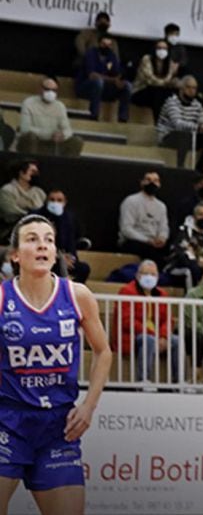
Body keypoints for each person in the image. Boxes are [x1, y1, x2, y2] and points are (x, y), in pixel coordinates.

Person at [0, 214, 110, 515]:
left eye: (48, 239)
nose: (42, 245)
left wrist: (88, 406)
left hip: (58, 428)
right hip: (7, 421)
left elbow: (103, 352)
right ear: (15, 255)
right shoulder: (1, 297)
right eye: (32, 239)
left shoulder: (77, 295)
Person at [113, 260, 181, 385]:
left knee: (177, 341)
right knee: (148, 339)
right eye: (145, 274)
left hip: (157, 334)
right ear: (138, 275)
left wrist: (163, 336)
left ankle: (178, 381)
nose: (149, 277)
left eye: (153, 274)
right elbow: (127, 320)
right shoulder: (126, 291)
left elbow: (168, 319)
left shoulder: (162, 294)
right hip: (133, 336)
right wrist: (154, 335)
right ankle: (143, 380)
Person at [157, 75, 203, 171]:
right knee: (184, 135)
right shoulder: (172, 102)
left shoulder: (196, 104)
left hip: (190, 136)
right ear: (181, 88)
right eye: (188, 87)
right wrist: (199, 128)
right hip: (168, 136)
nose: (192, 91)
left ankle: (199, 167)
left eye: (194, 88)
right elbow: (177, 124)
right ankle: (180, 167)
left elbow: (202, 119)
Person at [32, 189, 90, 283]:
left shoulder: (69, 218)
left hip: (64, 257)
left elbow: (71, 243)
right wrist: (59, 258)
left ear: (65, 202)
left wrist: (71, 258)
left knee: (83, 268)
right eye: (52, 200)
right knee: (58, 266)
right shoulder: (36, 216)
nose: (55, 203)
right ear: (46, 201)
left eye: (59, 200)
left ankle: (72, 294)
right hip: (42, 257)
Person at [16, 77, 84, 157]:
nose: (50, 92)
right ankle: (31, 164)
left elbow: (68, 129)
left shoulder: (60, 106)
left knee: (76, 141)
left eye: (54, 90)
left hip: (53, 144)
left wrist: (63, 135)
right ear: (40, 89)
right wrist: (50, 134)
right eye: (47, 89)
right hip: (35, 142)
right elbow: (25, 128)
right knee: (30, 137)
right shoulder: (29, 103)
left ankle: (65, 167)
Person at [166, 201, 203, 287]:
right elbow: (185, 256)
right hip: (178, 266)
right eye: (201, 214)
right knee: (193, 269)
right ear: (194, 216)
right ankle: (192, 298)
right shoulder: (184, 230)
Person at [117, 171, 170, 266]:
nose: (152, 183)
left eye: (155, 181)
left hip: (154, 243)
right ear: (142, 182)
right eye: (148, 180)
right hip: (134, 242)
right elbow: (126, 229)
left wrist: (162, 238)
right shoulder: (131, 201)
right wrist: (147, 240)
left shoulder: (161, 206)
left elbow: (164, 227)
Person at [76, 35, 131, 122]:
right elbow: (92, 75)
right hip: (85, 88)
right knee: (98, 82)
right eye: (104, 44)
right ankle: (93, 115)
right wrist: (113, 80)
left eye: (109, 45)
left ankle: (123, 118)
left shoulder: (112, 56)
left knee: (127, 86)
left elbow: (117, 73)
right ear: (99, 43)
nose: (106, 47)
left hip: (104, 90)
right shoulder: (91, 53)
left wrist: (120, 80)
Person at [131, 39, 180, 123]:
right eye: (159, 48)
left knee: (172, 94)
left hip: (159, 93)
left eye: (164, 48)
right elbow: (150, 80)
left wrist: (173, 78)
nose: (162, 51)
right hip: (140, 91)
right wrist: (165, 83)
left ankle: (174, 123)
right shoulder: (146, 59)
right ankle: (158, 124)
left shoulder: (169, 62)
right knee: (158, 92)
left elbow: (169, 80)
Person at [0, 161, 46, 243]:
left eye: (36, 172)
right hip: (14, 228)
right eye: (32, 171)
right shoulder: (7, 190)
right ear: (21, 173)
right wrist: (30, 215)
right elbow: (11, 211)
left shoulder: (39, 192)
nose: (35, 174)